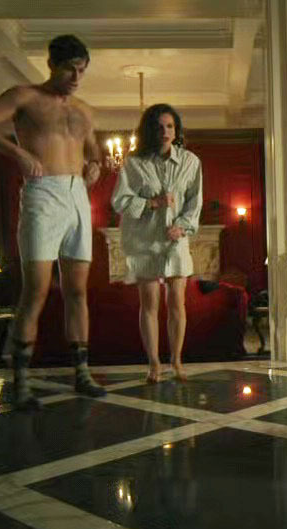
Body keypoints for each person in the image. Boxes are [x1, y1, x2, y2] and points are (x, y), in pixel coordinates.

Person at [0, 35, 106, 408]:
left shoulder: (84, 109)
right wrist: (16, 152)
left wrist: (95, 164)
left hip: (77, 194)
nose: (76, 77)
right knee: (36, 290)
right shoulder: (25, 97)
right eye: (70, 69)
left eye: (82, 70)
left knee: (78, 291)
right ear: (51, 65)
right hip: (42, 192)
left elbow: (93, 147)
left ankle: (82, 373)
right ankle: (20, 382)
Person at [111, 104, 203, 383]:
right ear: (149, 130)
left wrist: (182, 226)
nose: (165, 131)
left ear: (176, 130)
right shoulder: (133, 163)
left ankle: (176, 361)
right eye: (159, 126)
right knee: (149, 302)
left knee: (177, 302)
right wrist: (152, 203)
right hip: (144, 239)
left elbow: (195, 202)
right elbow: (119, 201)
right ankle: (154, 364)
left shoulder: (191, 162)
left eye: (170, 126)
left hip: (176, 240)